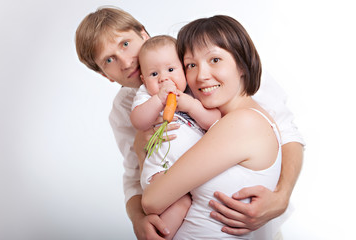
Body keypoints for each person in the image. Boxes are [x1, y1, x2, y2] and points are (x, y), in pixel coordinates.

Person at [75, 6, 304, 240]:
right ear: (106, 75)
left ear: (143, 34)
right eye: (109, 60)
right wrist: (137, 218)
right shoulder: (124, 109)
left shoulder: (196, 55)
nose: (125, 61)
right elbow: (134, 177)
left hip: (243, 217)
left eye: (125, 44)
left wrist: (282, 196)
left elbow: (284, 129)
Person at [141, 14, 287, 239]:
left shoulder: (242, 123)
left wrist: (146, 152)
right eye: (191, 64)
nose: (201, 76)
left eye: (215, 60)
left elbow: (152, 200)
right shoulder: (228, 120)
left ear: (241, 63)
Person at [130, 35, 221, 239]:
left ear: (183, 69)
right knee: (180, 203)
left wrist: (191, 105)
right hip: (161, 170)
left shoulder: (193, 92)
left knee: (196, 199)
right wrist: (158, 100)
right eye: (154, 74)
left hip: (192, 170)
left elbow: (214, 120)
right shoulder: (146, 96)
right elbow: (139, 121)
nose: (164, 78)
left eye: (171, 70)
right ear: (144, 80)